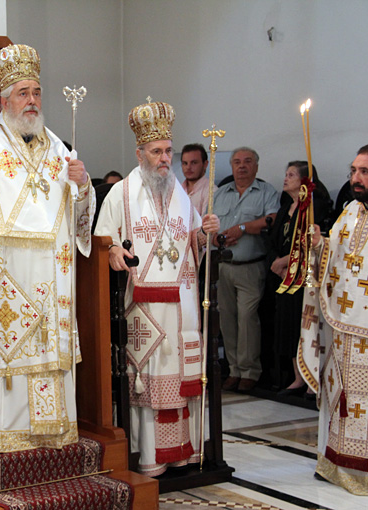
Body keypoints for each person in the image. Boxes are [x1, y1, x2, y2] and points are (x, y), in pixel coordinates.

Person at [0, 43, 94, 453]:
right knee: (7, 348)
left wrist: (83, 185)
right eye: (23, 93)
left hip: (52, 274)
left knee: (47, 348)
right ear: (4, 101)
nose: (32, 101)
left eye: (36, 93)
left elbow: (78, 215)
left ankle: (52, 432)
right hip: (4, 273)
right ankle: (1, 434)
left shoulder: (59, 149)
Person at [94, 100, 219, 476]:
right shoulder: (121, 193)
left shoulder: (180, 192)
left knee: (182, 378)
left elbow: (192, 241)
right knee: (147, 380)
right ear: (139, 153)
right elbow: (101, 239)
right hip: (144, 308)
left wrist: (205, 232)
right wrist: (112, 250)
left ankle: (184, 453)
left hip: (183, 306)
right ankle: (150, 457)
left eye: (168, 151)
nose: (165, 158)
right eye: (156, 152)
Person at [302, 144, 368, 495]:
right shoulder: (349, 212)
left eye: (365, 172)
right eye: (353, 170)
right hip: (342, 324)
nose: (355, 178)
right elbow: (338, 257)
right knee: (339, 397)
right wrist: (319, 246)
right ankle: (335, 464)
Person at [213, 147, 279, 392]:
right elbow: (208, 225)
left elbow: (272, 218)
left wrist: (242, 228)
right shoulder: (220, 193)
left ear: (256, 166)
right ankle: (233, 370)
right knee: (227, 320)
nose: (242, 166)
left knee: (247, 319)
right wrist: (216, 238)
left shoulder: (266, 192)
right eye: (237, 162)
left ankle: (250, 371)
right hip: (223, 266)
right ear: (231, 166)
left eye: (247, 161)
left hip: (251, 267)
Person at [268, 161, 329, 395]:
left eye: (291, 175)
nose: (285, 179)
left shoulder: (314, 207)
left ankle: (311, 376)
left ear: (305, 180)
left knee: (304, 325)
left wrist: (286, 262)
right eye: (286, 174)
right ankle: (297, 377)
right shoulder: (286, 207)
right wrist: (277, 263)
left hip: (305, 276)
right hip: (284, 276)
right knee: (288, 326)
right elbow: (274, 240)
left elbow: (309, 242)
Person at [180, 143, 213, 216]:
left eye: (194, 163)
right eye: (185, 163)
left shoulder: (211, 191)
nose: (188, 167)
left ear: (205, 164)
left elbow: (205, 222)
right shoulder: (177, 189)